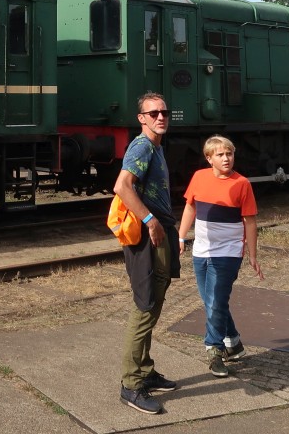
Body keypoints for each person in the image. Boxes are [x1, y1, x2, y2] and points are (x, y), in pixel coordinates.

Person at [116, 92, 181, 415]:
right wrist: (150, 220)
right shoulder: (142, 146)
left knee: (154, 302)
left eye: (164, 112)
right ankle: (131, 384)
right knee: (145, 307)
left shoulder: (156, 146)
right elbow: (122, 186)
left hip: (161, 232)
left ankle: (144, 370)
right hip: (148, 237)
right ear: (141, 118)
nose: (160, 117)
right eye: (153, 113)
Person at [176, 136, 263, 377]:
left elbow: (250, 221)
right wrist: (181, 237)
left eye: (229, 154)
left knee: (215, 301)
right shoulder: (199, 177)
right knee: (212, 301)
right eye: (220, 155)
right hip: (201, 250)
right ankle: (233, 343)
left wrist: (252, 255)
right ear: (209, 158)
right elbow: (190, 207)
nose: (226, 159)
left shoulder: (242, 184)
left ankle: (214, 350)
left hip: (228, 252)